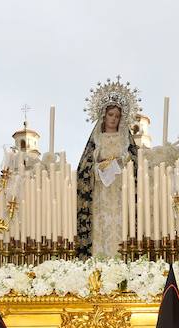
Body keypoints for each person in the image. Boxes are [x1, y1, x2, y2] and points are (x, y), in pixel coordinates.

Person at [76, 78, 140, 258]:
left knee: (121, 226)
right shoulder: (97, 138)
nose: (114, 119)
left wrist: (121, 162)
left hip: (121, 191)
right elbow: (84, 166)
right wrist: (98, 168)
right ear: (104, 115)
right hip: (100, 193)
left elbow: (134, 161)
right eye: (111, 115)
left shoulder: (125, 139)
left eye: (117, 116)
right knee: (102, 227)